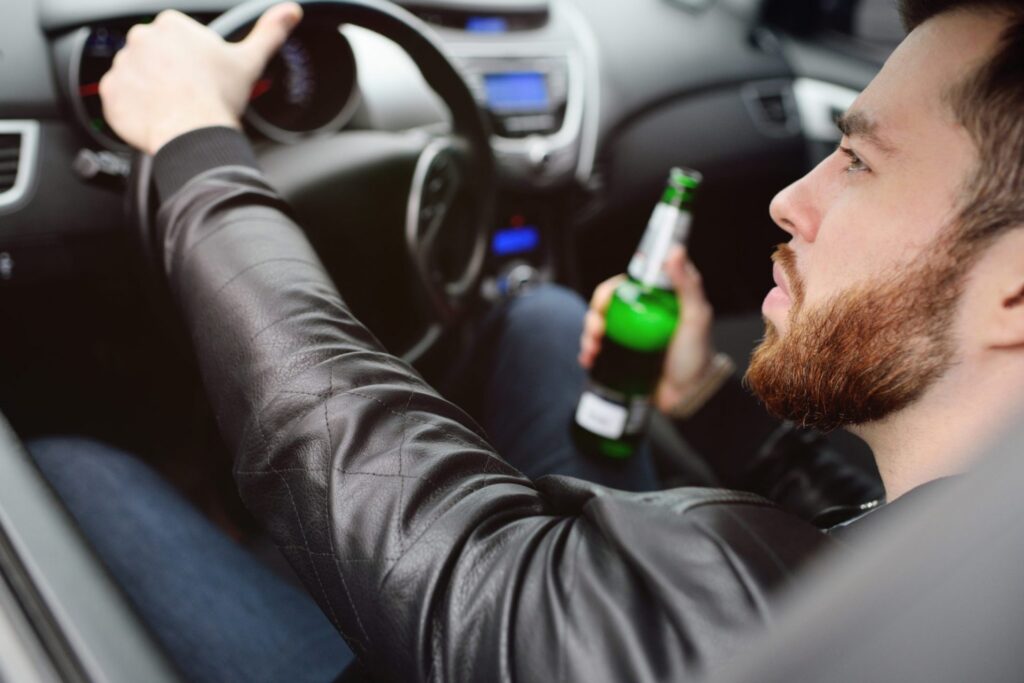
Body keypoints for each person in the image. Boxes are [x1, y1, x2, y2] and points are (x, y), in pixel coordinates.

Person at [30, 0, 1024, 681]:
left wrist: (196, 147)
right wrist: (707, 393)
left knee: (67, 469)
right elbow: (845, 529)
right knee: (544, 321)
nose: (787, 199)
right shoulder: (965, 549)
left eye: (855, 160)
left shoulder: (743, 608)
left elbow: (396, 504)